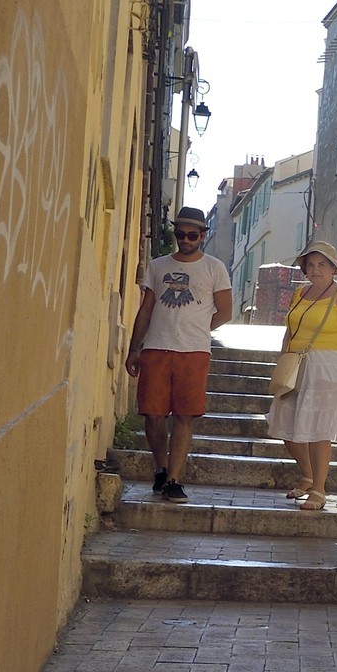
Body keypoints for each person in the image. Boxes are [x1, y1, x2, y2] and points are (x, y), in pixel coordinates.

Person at [124, 208, 233, 501]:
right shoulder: (158, 266)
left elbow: (225, 311)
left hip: (193, 352)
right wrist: (134, 348)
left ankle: (174, 478)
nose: (185, 240)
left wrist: (198, 327)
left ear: (202, 236)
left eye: (192, 235)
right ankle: (161, 468)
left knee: (185, 415)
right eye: (180, 234)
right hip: (156, 348)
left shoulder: (214, 268)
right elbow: (146, 309)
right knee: (153, 414)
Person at [266, 240, 337, 511]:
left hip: (330, 367)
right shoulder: (299, 294)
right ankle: (308, 475)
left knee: (319, 430)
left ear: (334, 268)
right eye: (310, 264)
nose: (315, 269)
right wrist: (283, 359)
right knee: (285, 425)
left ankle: (319, 490)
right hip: (297, 365)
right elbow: (290, 330)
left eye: (322, 264)